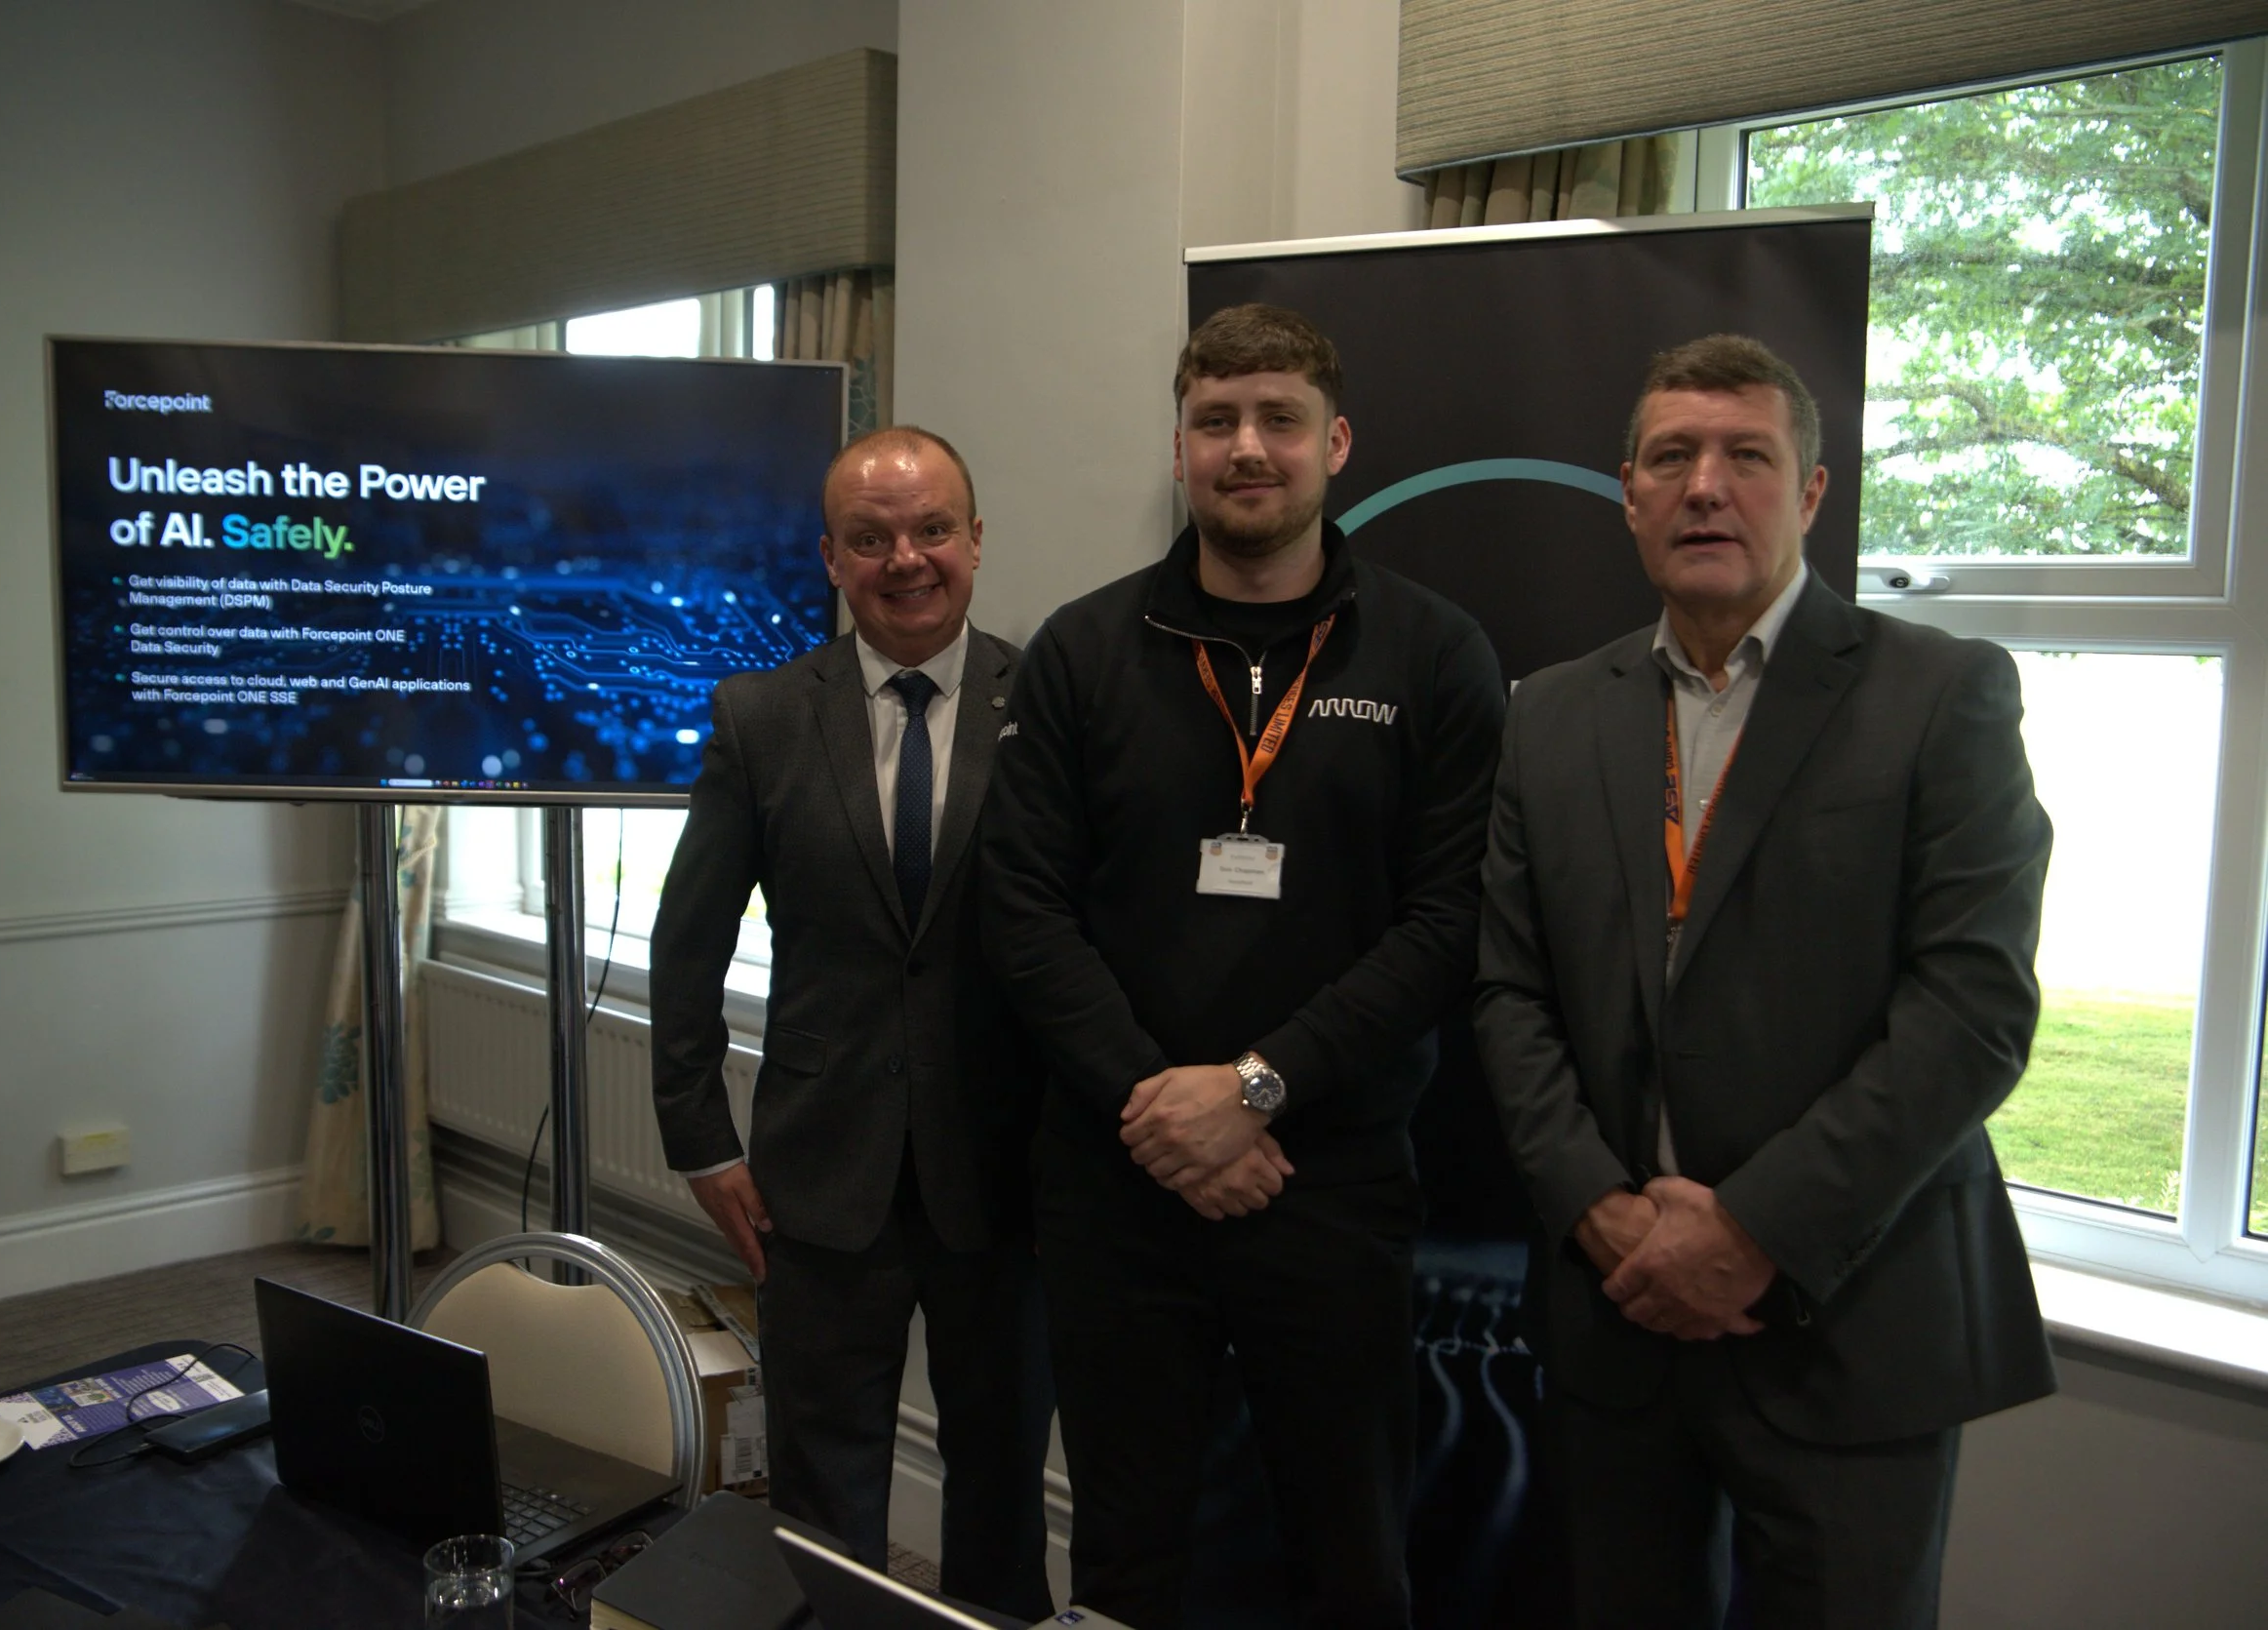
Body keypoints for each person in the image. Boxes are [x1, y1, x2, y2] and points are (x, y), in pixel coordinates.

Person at [1474, 333, 2055, 1628]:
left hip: (1848, 1318)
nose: (1705, 487)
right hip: (1617, 1311)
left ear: (1811, 493)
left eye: (1748, 456)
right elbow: (1507, 994)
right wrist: (1605, 1212)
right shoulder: (1554, 713)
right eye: (1672, 457)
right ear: (1627, 492)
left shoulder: (1941, 693)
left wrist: (1748, 1233)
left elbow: (1972, 1007)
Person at [977, 302, 1506, 1628]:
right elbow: (1025, 912)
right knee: (1125, 1555)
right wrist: (1164, 1107)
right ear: (1179, 448)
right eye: (1217, 420)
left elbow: (1450, 922)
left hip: (1328, 1178)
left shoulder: (1433, 652)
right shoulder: (1082, 654)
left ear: (1336, 443)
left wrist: (1256, 1090)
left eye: (1277, 419)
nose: (1246, 448)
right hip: (1116, 1179)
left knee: (1348, 1555)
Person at [650, 425, 1054, 1620]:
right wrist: (700, 1138)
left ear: (975, 542)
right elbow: (689, 940)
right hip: (819, 1176)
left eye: (933, 530)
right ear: (830, 557)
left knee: (1000, 1485)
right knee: (825, 1496)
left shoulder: (1055, 703)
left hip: (1009, 1173)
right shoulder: (762, 716)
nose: (906, 559)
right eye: (871, 539)